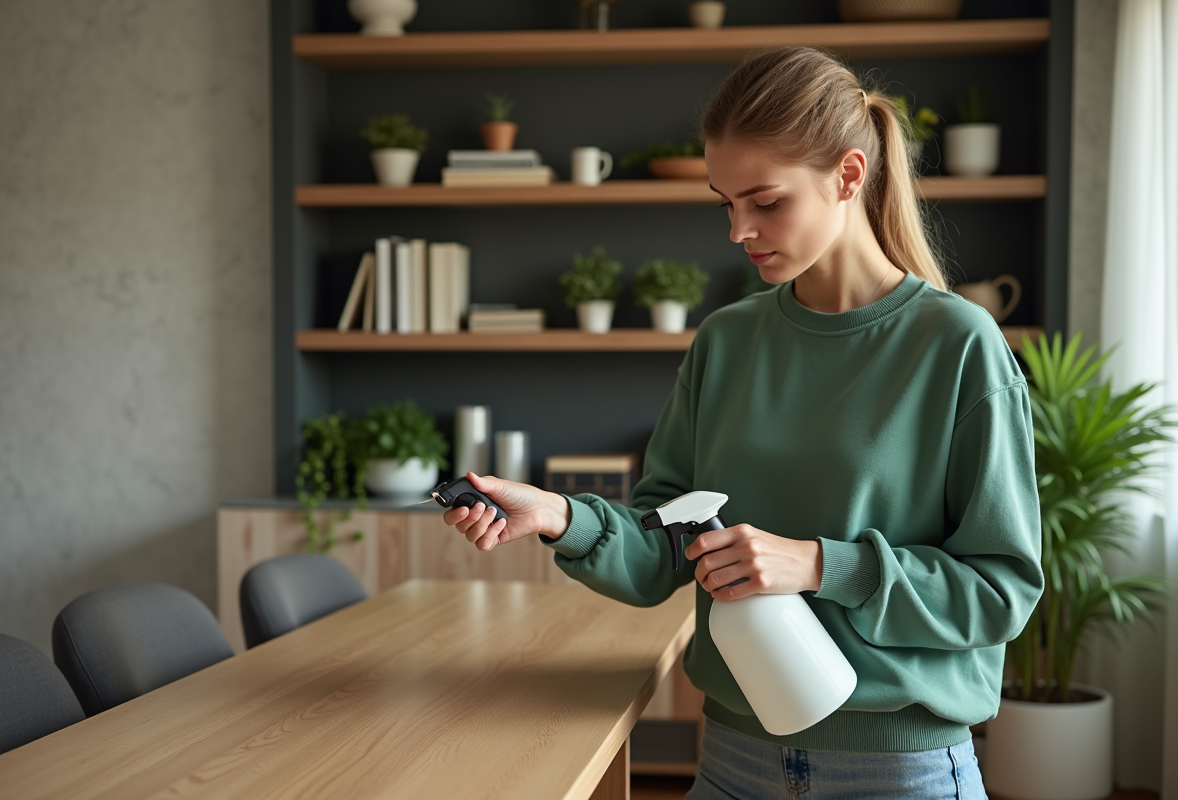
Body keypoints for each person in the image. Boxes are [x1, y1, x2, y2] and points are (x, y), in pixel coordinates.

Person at [441, 46, 1044, 800]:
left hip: (897, 772)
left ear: (849, 176)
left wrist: (820, 564)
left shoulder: (957, 346)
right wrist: (558, 516)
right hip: (735, 763)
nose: (738, 230)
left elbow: (1001, 591)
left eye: (765, 201)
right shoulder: (726, 341)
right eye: (725, 204)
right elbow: (664, 546)